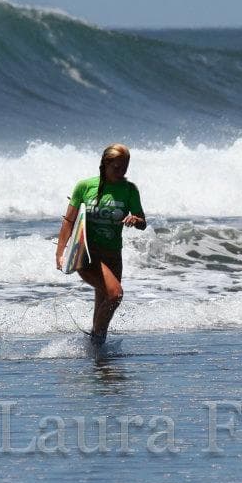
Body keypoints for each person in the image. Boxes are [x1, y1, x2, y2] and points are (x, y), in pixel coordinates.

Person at [56, 143, 147, 345]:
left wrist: (136, 220)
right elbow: (69, 221)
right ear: (105, 164)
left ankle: (98, 358)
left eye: (125, 167)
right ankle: (94, 344)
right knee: (115, 295)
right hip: (87, 255)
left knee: (104, 304)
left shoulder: (129, 190)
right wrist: (60, 253)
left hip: (113, 256)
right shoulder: (85, 186)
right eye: (116, 167)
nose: (121, 172)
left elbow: (142, 222)